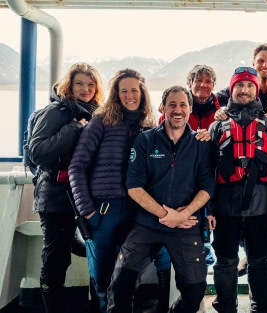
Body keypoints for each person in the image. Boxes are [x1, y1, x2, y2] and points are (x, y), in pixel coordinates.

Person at [106, 85, 216, 313]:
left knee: (194, 293)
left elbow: (207, 186)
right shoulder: (145, 141)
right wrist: (167, 215)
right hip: (147, 224)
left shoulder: (201, 144)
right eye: (172, 104)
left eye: (183, 105)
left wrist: (183, 215)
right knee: (120, 284)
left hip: (186, 226)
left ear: (190, 109)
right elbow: (134, 187)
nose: (177, 110)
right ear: (163, 108)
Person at [68, 68, 169, 313]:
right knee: (102, 274)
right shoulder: (101, 122)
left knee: (128, 274)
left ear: (142, 93)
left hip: (137, 211)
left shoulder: (150, 126)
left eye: (134, 90)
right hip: (103, 210)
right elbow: (77, 166)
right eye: (123, 90)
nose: (129, 95)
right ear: (116, 94)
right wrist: (88, 211)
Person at [209, 66, 267, 313]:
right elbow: (206, 171)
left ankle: (262, 307)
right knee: (225, 262)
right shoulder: (217, 126)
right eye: (239, 86)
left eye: (250, 85)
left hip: (261, 206)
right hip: (225, 207)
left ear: (257, 90)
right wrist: (209, 209)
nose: (244, 90)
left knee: (260, 261)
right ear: (231, 90)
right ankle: (226, 306)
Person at [29, 62, 105, 313]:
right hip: (55, 196)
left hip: (84, 196)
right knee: (55, 260)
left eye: (90, 85)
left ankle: (99, 305)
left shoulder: (96, 113)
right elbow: (37, 152)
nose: (85, 89)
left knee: (95, 251)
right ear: (69, 85)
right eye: (79, 83)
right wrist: (73, 128)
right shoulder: (56, 112)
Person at [158, 64, 220, 265]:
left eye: (208, 81)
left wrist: (213, 134)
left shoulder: (221, 115)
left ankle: (200, 268)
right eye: (198, 80)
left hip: (209, 182)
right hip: (179, 183)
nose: (203, 85)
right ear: (190, 84)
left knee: (204, 240)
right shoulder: (175, 111)